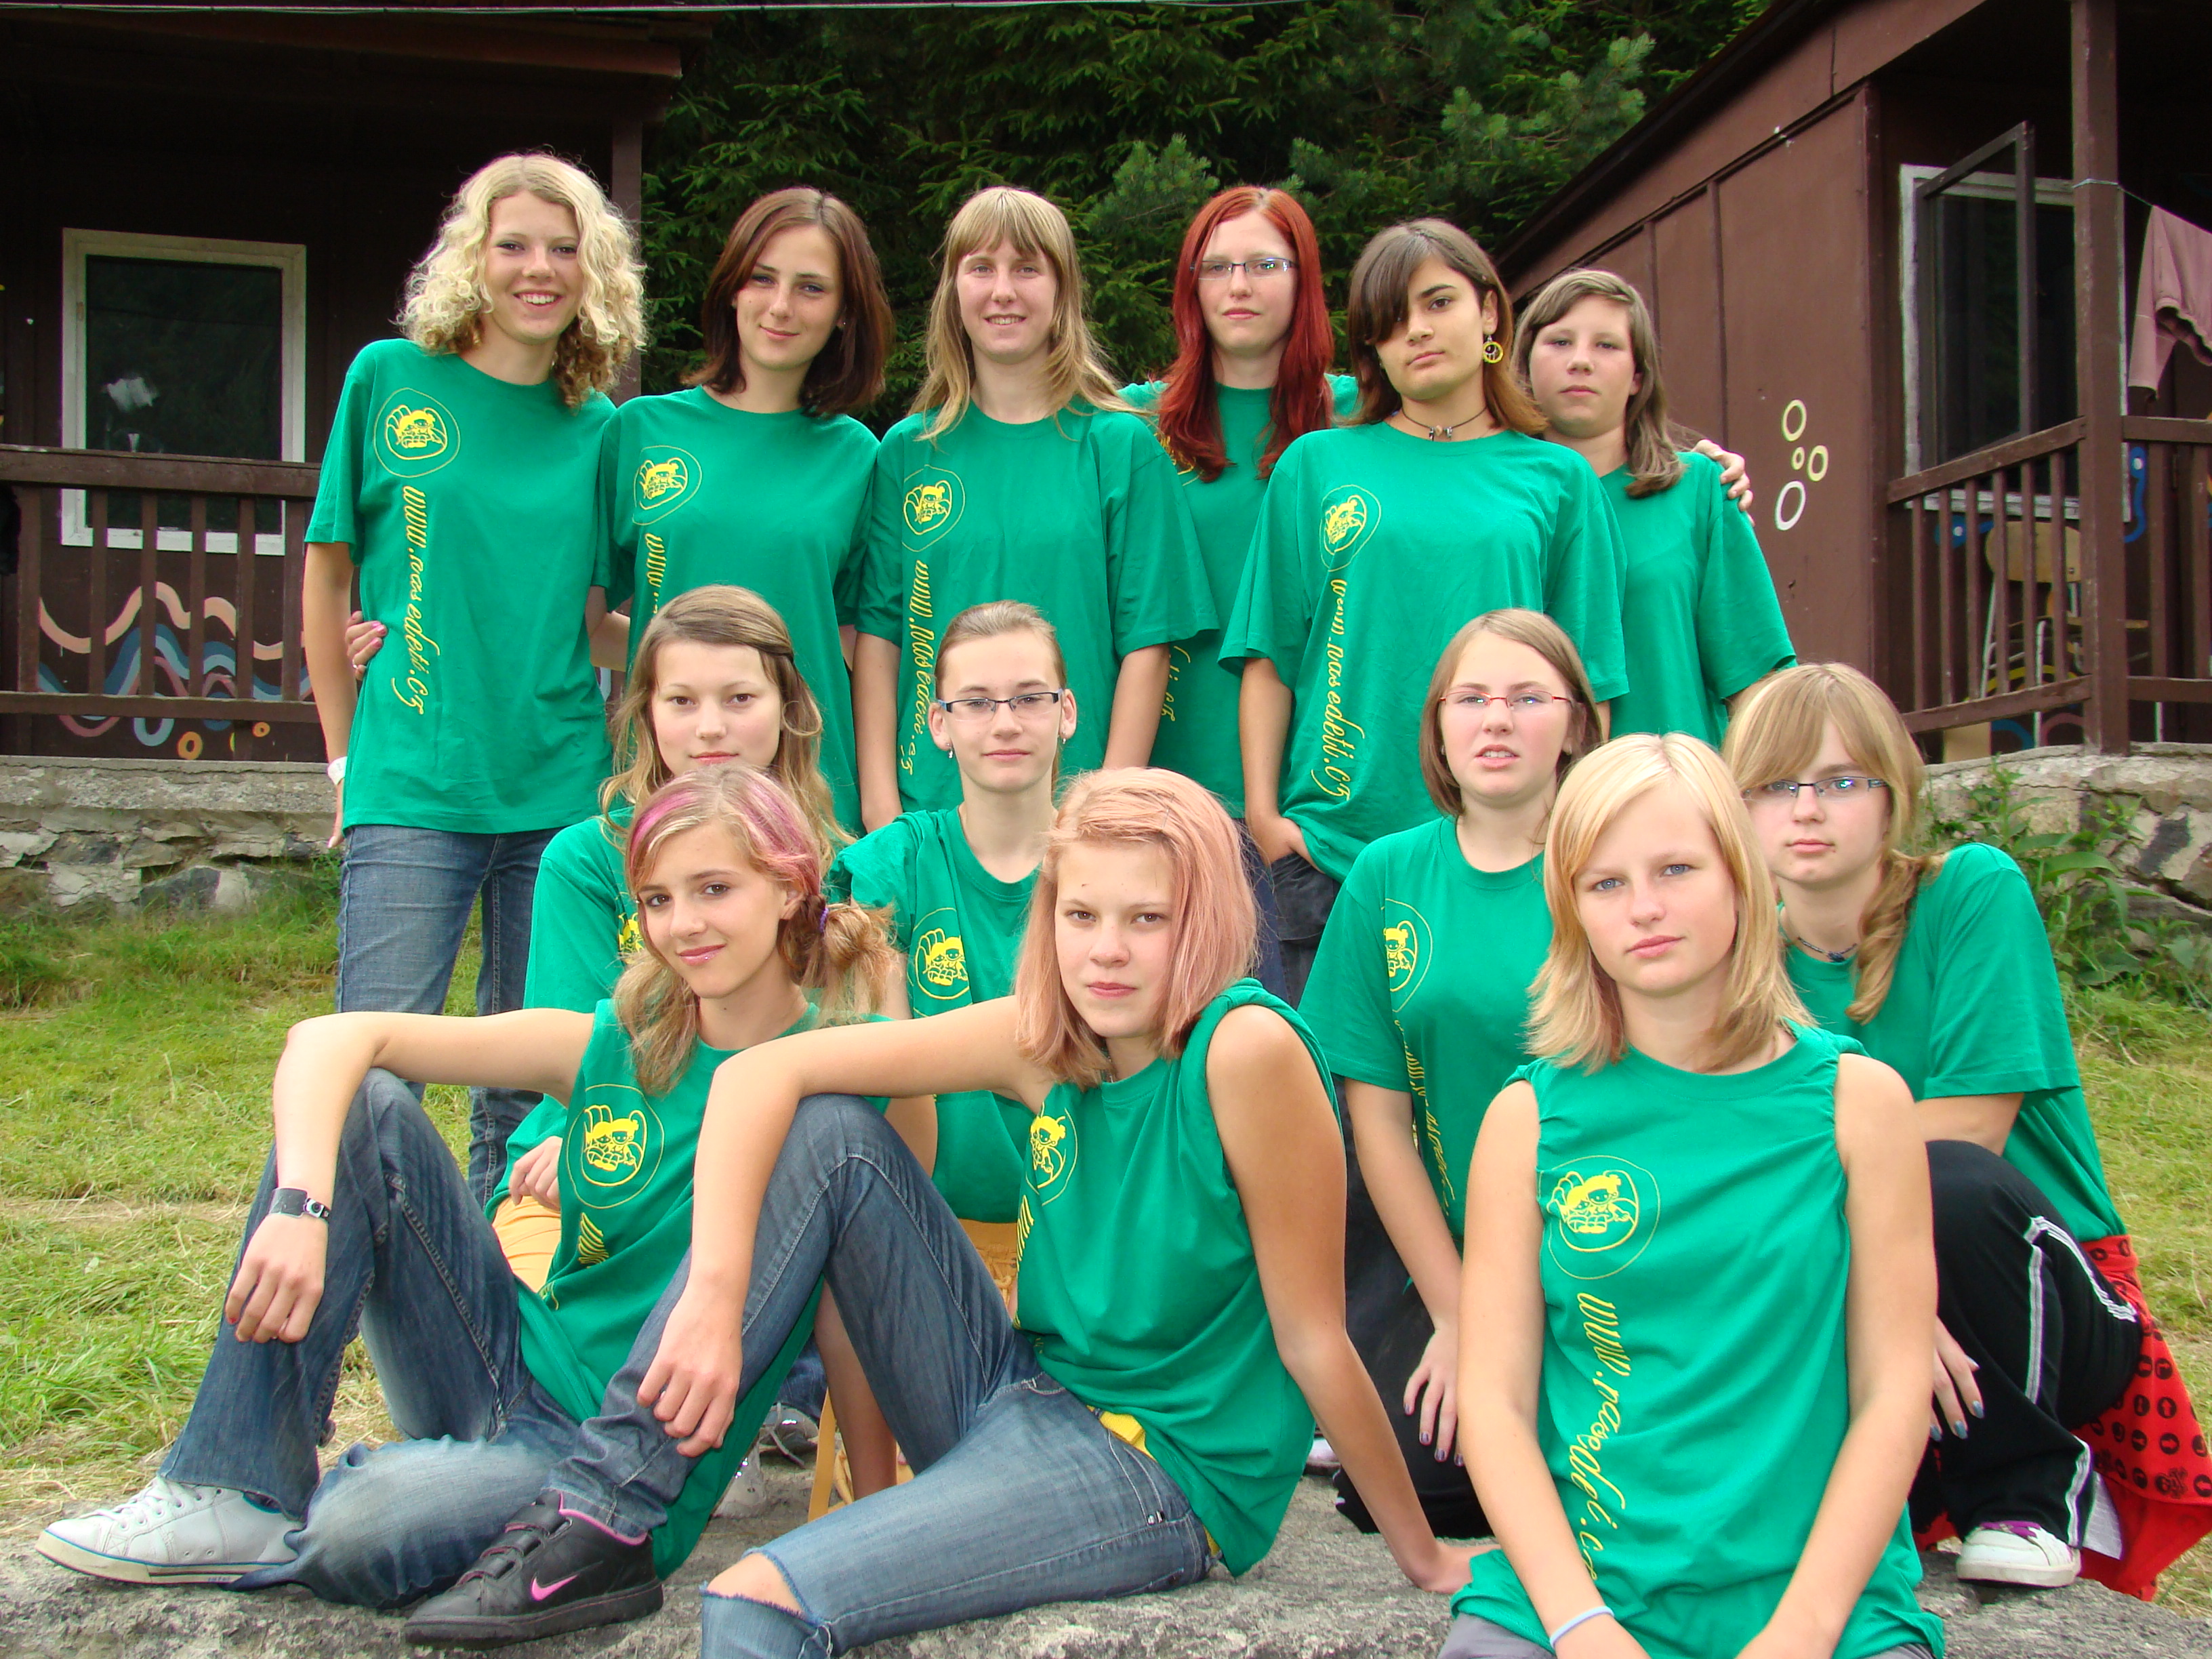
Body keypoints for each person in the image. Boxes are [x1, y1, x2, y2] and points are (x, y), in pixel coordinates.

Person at [457, 769, 1481, 1653]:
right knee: (832, 1134)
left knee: (755, 1596)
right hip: (1017, 1395)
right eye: (1080, 916)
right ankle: (608, 1511)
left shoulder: (1245, 1051)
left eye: (1148, 919)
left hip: (1157, 1468)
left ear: (1206, 919)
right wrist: (714, 1297)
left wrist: (1423, 1557)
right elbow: (759, 1077)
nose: (1106, 952)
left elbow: (1312, 1336)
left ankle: (614, 1521)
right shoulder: (1046, 1037)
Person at [35, 766, 909, 1641]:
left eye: (714, 889)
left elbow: (858, 1299)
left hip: (617, 1462)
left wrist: (871, 1515)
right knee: (368, 1106)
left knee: (355, 1531)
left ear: (789, 889)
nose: (683, 925)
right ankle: (235, 1486)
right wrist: (300, 1208)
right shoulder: (620, 1043)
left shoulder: (848, 1071)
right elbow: (334, 1040)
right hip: (500, 1363)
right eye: (658, 899)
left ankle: (411, 1488)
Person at [1448, 732, 1944, 1659]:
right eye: (1605, 883)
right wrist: (1581, 1626)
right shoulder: (1527, 1120)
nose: (1645, 907)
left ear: (1742, 880)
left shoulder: (1859, 1106)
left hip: (1818, 1604)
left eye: (1676, 869)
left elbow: (1893, 1392)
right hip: (1580, 1594)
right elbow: (1496, 1404)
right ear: (1571, 911)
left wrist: (1803, 1631)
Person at [1726, 663, 2208, 1597]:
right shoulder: (1744, 959)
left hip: (2047, 1293)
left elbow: (1975, 1129)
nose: (1807, 810)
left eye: (1840, 780)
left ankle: (2027, 1500)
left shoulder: (1970, 892)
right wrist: (1885, 1301)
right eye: (1776, 786)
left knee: (1945, 1173)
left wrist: (1905, 1299)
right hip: (1855, 1283)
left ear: (1893, 793)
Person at [300, 152, 645, 1201]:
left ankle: (505, 1295)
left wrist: (731, 657)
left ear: (594, 272)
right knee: (377, 1081)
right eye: (515, 245)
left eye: (564, 249)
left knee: (529, 1089)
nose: (539, 269)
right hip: (415, 778)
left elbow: (590, 627)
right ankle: (344, 1271)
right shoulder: (388, 378)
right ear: (473, 259)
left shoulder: (600, 429)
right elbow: (328, 577)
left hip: (558, 790)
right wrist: (344, 761)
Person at [1220, 218, 1627, 1004]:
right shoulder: (1317, 465)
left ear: (1489, 313)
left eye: (1439, 302)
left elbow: (1592, 684)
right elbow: (1270, 657)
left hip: (1514, 850)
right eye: (1390, 320)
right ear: (1371, 349)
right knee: (1324, 1081)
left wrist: (1566, 827)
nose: (1418, 331)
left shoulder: (1558, 479)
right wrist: (1267, 821)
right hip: (1329, 852)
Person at [1303, 611, 1599, 1538]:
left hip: (1604, 1237)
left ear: (1577, 725)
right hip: (1455, 1255)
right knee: (1409, 1486)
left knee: (1601, 1474)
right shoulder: (1388, 875)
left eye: (1528, 698)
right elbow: (1378, 1128)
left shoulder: (1614, 865)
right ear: (1437, 727)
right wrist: (1462, 1317)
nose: (1496, 720)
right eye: (1470, 699)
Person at [851, 186, 1212, 827]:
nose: (1003, 291)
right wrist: (882, 810)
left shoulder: (1118, 447)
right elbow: (878, 638)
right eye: (981, 268)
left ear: (1062, 291)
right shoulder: (907, 452)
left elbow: (1148, 644)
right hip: (930, 810)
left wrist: (1104, 808)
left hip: (1076, 812)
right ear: (953, 292)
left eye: (1026, 269)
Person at [595, 187, 893, 832]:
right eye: (763, 278)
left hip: (810, 794)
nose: (781, 306)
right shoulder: (640, 432)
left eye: (811, 288)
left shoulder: (860, 457)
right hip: (670, 782)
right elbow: (582, 625)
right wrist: (685, 679)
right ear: (732, 288)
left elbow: (864, 648)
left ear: (845, 312)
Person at [1122, 184, 1354, 997]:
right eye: (1216, 268)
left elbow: (1499, 443)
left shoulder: (1358, 414)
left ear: (1304, 279)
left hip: (1317, 794)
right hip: (1174, 783)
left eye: (1265, 265)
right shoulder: (1136, 423)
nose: (1240, 287)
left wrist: (1675, 463)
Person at [825, 600, 1073, 1225]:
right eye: (978, 702)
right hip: (932, 1225)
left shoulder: (1112, 861)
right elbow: (889, 1066)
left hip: (1084, 1226)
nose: (1005, 723)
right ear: (939, 723)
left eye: (1030, 698)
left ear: (1066, 712)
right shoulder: (895, 863)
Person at [1517, 268, 1793, 745]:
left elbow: (1757, 685)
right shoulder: (1498, 514)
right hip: (1539, 789)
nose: (1581, 361)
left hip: (1681, 783)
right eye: (1560, 342)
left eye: (1607, 345)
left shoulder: (1701, 489)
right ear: (1524, 365)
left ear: (1638, 376)